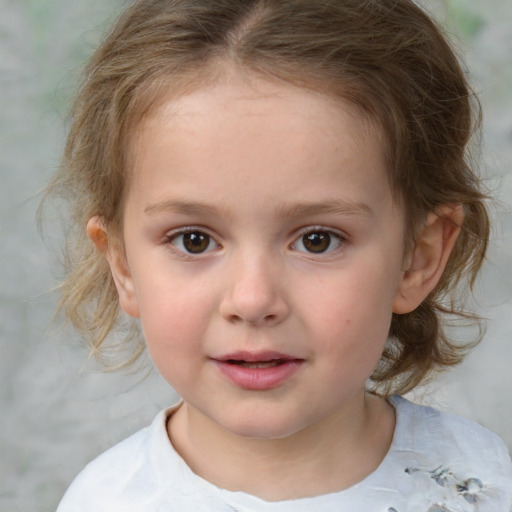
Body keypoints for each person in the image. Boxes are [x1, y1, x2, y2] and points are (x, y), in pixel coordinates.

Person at [49, 0, 512, 510]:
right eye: (194, 240)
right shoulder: (105, 502)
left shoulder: (485, 483)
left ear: (417, 258)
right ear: (122, 264)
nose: (252, 300)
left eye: (318, 240)